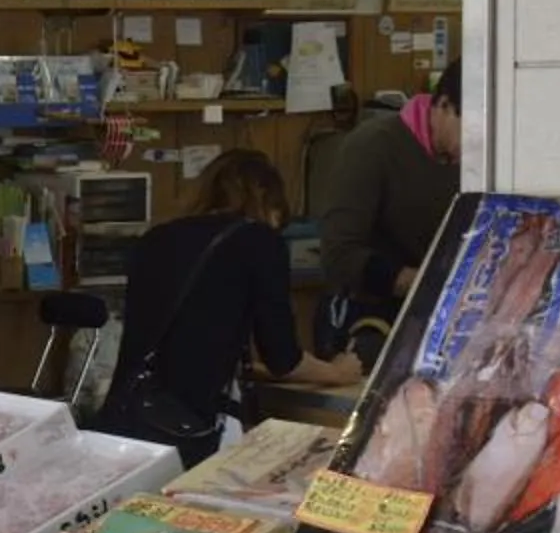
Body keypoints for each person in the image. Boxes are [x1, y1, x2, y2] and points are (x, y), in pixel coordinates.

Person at [96, 150, 365, 465]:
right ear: (268, 200)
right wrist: (338, 372)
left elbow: (181, 338)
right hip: (189, 429)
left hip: (124, 419)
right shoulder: (258, 240)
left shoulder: (157, 238)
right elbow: (283, 357)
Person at [312, 60, 464, 366]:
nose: (482, 141)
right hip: (372, 324)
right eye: (474, 126)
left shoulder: (480, 161)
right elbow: (339, 254)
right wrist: (425, 282)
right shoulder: (373, 145)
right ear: (444, 105)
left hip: (443, 323)